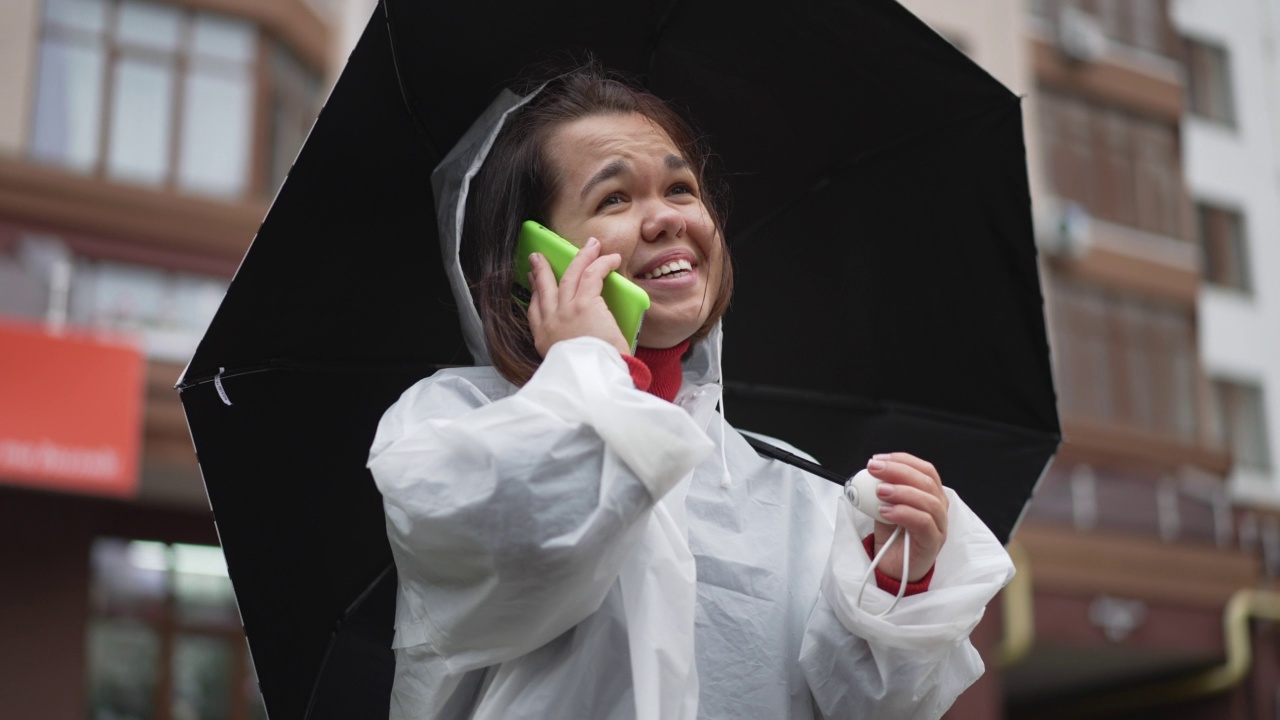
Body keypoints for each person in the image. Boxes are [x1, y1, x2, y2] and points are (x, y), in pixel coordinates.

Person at [367, 64, 1014, 720]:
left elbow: (860, 708)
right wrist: (589, 362)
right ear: (537, 260)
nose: (666, 219)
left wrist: (896, 581)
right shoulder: (451, 428)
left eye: (681, 188)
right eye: (614, 198)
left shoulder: (789, 482)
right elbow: (536, 540)